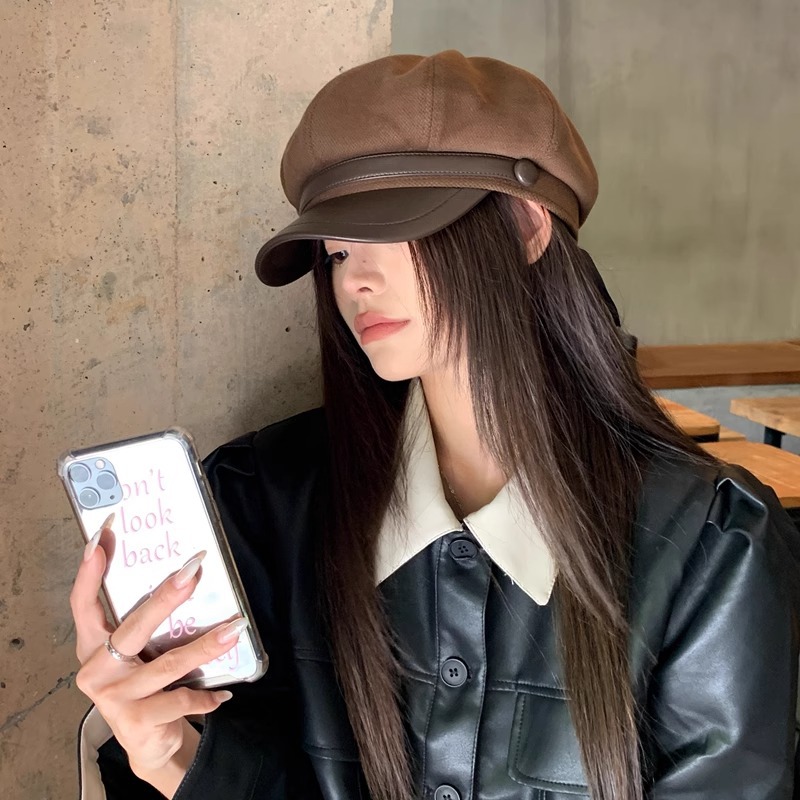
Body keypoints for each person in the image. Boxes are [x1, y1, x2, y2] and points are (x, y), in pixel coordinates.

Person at [70, 50, 800, 800]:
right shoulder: (265, 502)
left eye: (392, 230)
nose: (354, 280)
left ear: (526, 227)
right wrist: (167, 755)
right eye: (337, 250)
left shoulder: (711, 544)